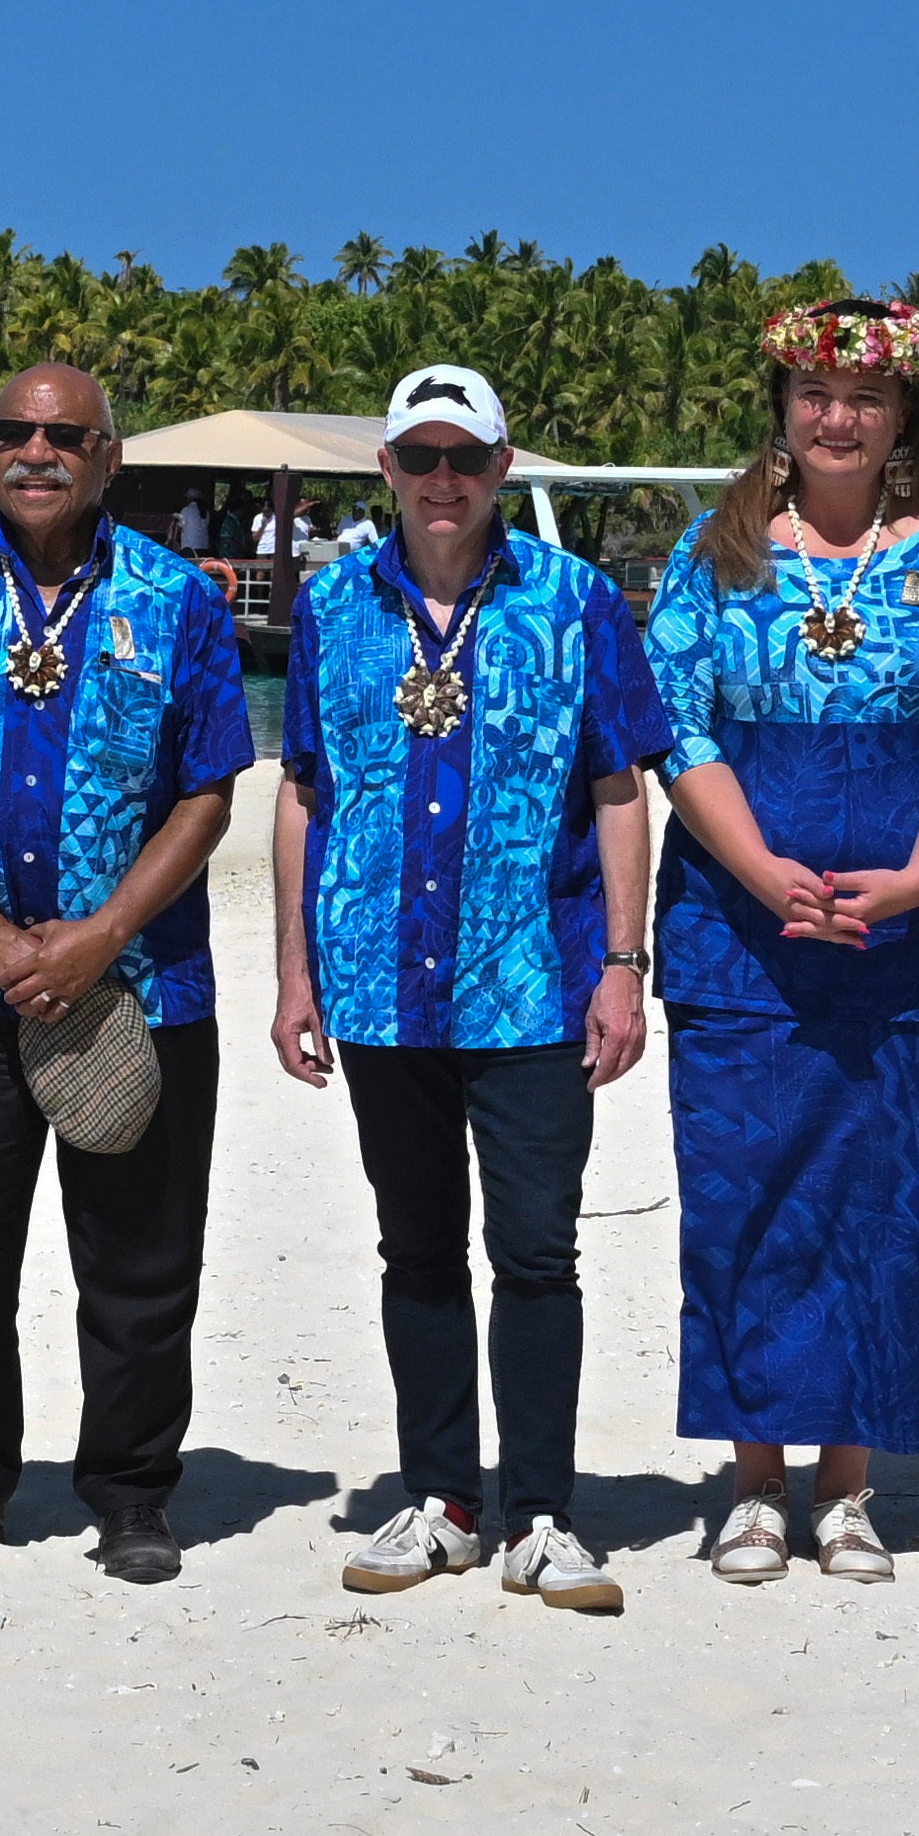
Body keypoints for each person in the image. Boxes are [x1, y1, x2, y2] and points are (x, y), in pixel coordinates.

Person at [641, 299, 919, 1585]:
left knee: (884, 1203)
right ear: (781, 406)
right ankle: (755, 1480)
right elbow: (675, 726)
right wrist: (755, 869)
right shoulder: (718, 549)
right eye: (813, 393)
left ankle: (849, 1484)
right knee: (744, 1194)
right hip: (734, 924)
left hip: (907, 928)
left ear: (902, 415)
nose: (836, 416)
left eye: (862, 398)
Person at [263, 362, 660, 1617]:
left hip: (534, 985)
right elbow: (303, 791)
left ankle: (541, 1510)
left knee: (536, 1253)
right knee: (414, 1248)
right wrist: (292, 972)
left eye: (466, 457)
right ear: (384, 467)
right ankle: (438, 1498)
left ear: (503, 466)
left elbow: (614, 790)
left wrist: (622, 965)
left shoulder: (575, 600)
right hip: (380, 984)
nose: (443, 479)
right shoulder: (333, 606)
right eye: (419, 457)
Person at [0, 361, 253, 1581]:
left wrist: (97, 935)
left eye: (63, 434)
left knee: (138, 1263)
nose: (36, 451)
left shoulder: (178, 599)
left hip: (141, 987)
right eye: (14, 432)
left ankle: (130, 1490)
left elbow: (205, 791)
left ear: (106, 455)